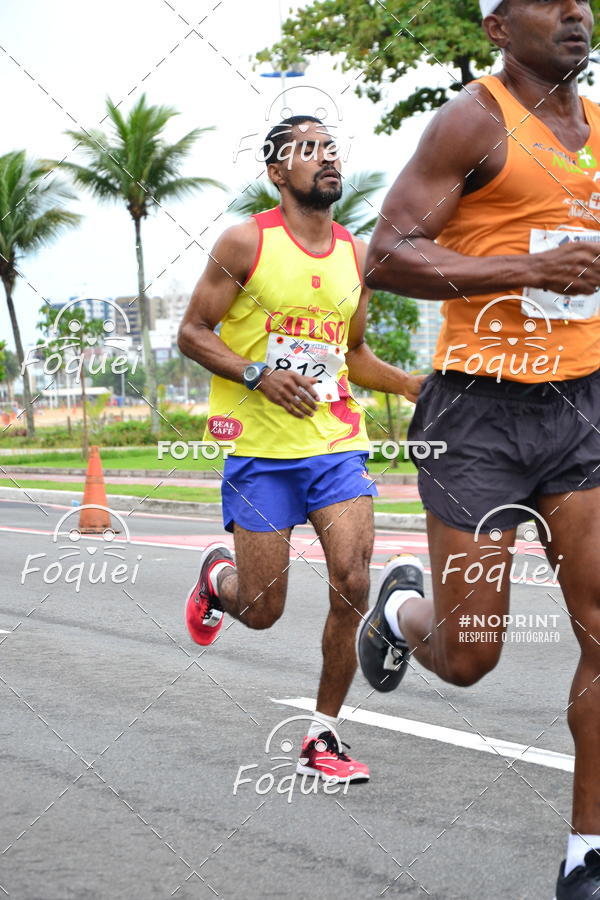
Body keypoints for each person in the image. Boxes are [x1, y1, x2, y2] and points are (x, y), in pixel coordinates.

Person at [356, 0, 600, 895]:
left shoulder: (599, 130)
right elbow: (385, 256)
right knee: (470, 657)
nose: (575, 11)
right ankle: (402, 616)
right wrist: (524, 270)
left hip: (582, 406)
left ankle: (588, 854)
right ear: (499, 27)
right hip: (477, 417)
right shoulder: (473, 120)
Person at [178, 116, 422, 784]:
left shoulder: (356, 254)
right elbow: (193, 332)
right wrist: (258, 373)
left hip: (334, 443)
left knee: (352, 580)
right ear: (278, 173)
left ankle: (323, 737)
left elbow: (354, 354)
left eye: (331, 148)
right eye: (308, 151)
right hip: (260, 453)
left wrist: (410, 384)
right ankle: (216, 580)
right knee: (262, 610)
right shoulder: (245, 242)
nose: (326, 159)